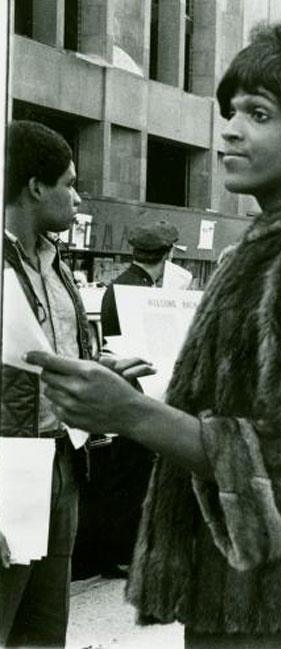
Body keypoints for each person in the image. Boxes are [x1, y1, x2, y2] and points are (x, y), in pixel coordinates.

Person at [28, 9, 281, 647]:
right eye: (231, 113)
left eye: (258, 116)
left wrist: (133, 415)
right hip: (243, 594)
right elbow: (250, 414)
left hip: (276, 603)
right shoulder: (266, 249)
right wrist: (123, 400)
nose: (230, 133)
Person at [0, 121, 92, 647]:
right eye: (70, 183)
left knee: (44, 629)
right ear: (36, 186)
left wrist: (99, 371)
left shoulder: (56, 264)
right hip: (10, 469)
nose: (77, 198)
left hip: (61, 462)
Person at [73, 221, 182, 580]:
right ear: (165, 254)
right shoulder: (137, 291)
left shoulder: (123, 285)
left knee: (131, 478)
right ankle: (117, 554)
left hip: (130, 392)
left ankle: (122, 552)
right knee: (128, 480)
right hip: (135, 394)